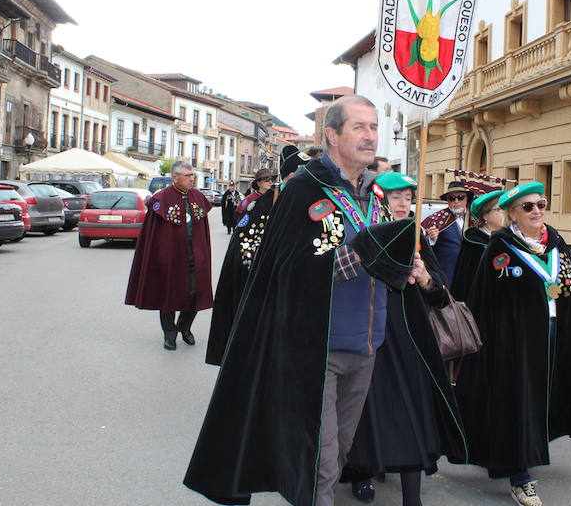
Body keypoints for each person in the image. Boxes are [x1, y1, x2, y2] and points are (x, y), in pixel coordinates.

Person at [184, 95, 416, 506]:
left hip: (367, 348)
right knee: (320, 465)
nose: (370, 136)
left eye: (374, 127)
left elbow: (382, 268)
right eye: (359, 127)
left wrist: (405, 263)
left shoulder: (376, 196)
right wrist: (363, 251)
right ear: (331, 135)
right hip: (316, 351)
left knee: (340, 454)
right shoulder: (303, 190)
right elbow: (290, 274)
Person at [452, 181, 571, 506]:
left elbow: (567, 291)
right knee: (517, 402)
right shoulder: (500, 249)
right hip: (513, 344)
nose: (537, 211)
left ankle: (526, 450)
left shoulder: (556, 244)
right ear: (512, 214)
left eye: (541, 204)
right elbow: (484, 302)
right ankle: (520, 476)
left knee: (541, 399)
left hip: (554, 335)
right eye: (528, 207)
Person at [344, 172, 467, 506]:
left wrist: (425, 278)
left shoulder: (415, 236)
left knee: (412, 414)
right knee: (367, 411)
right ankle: (361, 473)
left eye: (408, 198)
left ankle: (412, 498)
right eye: (396, 197)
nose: (403, 204)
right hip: (370, 336)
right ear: (381, 199)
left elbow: (440, 296)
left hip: (411, 341)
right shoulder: (367, 233)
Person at [206, 147, 310, 366]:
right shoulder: (264, 204)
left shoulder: (311, 203)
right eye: (299, 176)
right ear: (288, 177)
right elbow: (244, 250)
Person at [125, 160, 213, 350]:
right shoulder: (161, 200)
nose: (192, 179)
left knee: (194, 294)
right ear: (175, 177)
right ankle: (169, 333)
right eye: (188, 176)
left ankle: (185, 327)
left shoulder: (198, 196)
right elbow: (152, 235)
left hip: (195, 256)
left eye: (192, 175)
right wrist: (159, 257)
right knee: (168, 296)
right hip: (171, 257)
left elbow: (203, 230)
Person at [450, 189, 504, 301]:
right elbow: (464, 284)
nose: (504, 213)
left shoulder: (508, 240)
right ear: (485, 216)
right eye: (499, 209)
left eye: (506, 209)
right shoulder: (474, 243)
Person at [424, 181, 474, 287]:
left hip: (470, 276)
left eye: (460, 197)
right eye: (451, 198)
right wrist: (432, 239)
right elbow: (423, 247)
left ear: (467, 199)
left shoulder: (475, 219)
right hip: (447, 277)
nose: (456, 201)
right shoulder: (437, 219)